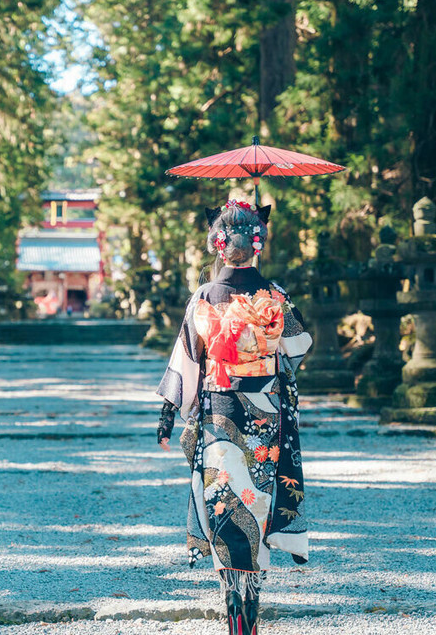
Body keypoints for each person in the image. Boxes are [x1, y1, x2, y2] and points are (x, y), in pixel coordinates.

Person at [156, 199, 312, 635]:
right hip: (264, 411)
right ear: (258, 244)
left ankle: (233, 602)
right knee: (257, 498)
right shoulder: (275, 296)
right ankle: (250, 605)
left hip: (219, 412)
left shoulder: (204, 297)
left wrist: (168, 411)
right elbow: (298, 347)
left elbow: (187, 359)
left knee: (223, 497)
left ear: (217, 245)